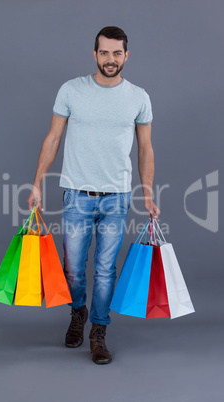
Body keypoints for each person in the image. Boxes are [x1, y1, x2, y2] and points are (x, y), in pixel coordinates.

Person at [27, 26, 160, 364]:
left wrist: (147, 193)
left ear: (126, 56)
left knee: (104, 270)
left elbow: (145, 148)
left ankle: (98, 330)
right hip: (76, 195)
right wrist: (37, 184)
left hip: (116, 197)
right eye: (104, 52)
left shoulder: (138, 97)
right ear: (95, 54)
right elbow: (53, 138)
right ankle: (78, 313)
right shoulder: (72, 90)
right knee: (73, 269)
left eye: (117, 53)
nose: (110, 59)